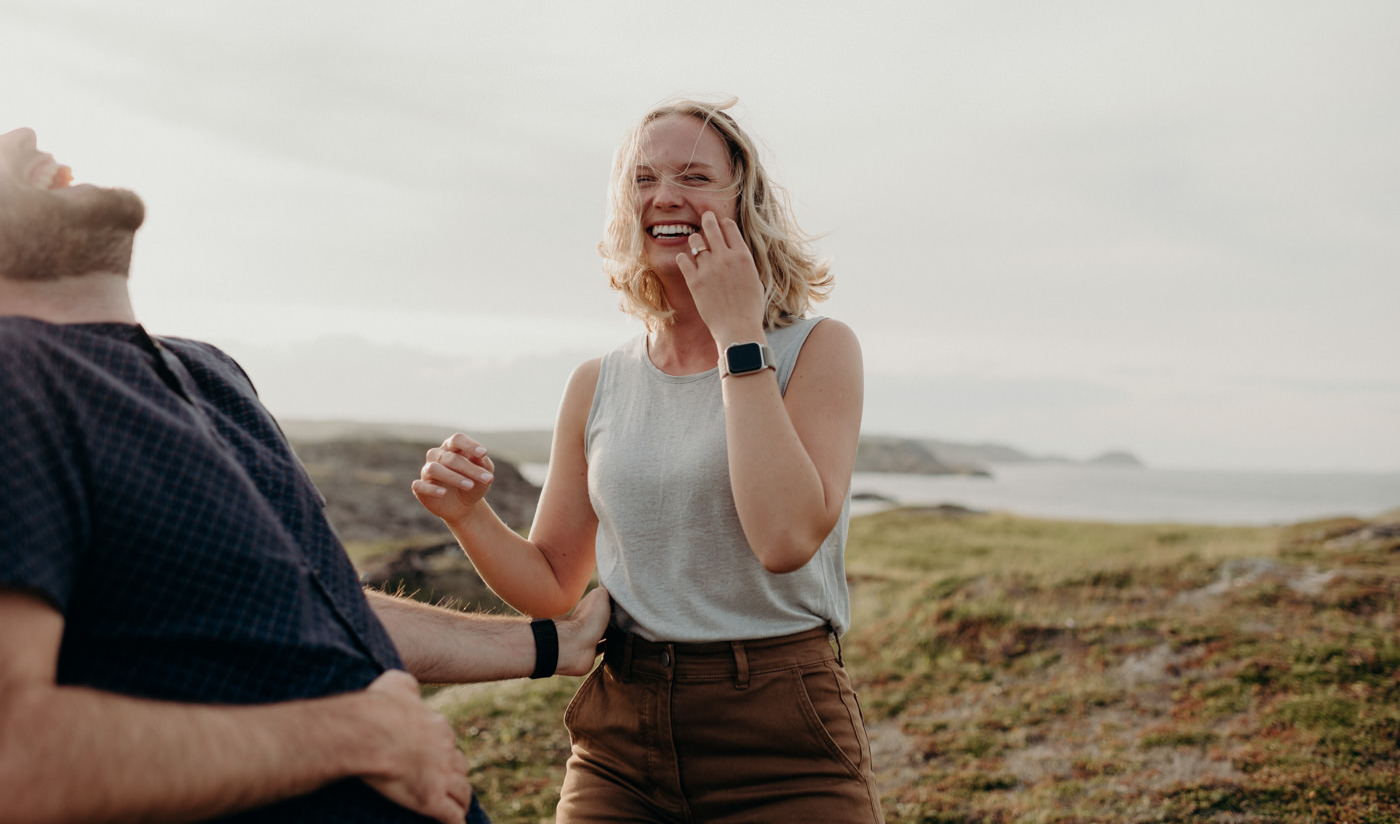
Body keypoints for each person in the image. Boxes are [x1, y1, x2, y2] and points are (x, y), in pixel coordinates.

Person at [0, 126, 611, 824]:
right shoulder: (16, 378)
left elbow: (320, 604)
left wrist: (547, 642)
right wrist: (360, 734)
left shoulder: (210, 373)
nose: (18, 135)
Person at [413, 98, 884, 822]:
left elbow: (784, 537)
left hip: (783, 738)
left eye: (694, 176)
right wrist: (469, 515)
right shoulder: (597, 381)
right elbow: (550, 582)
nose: (665, 196)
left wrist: (738, 335)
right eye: (643, 178)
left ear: (742, 200)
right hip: (621, 741)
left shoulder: (816, 350)